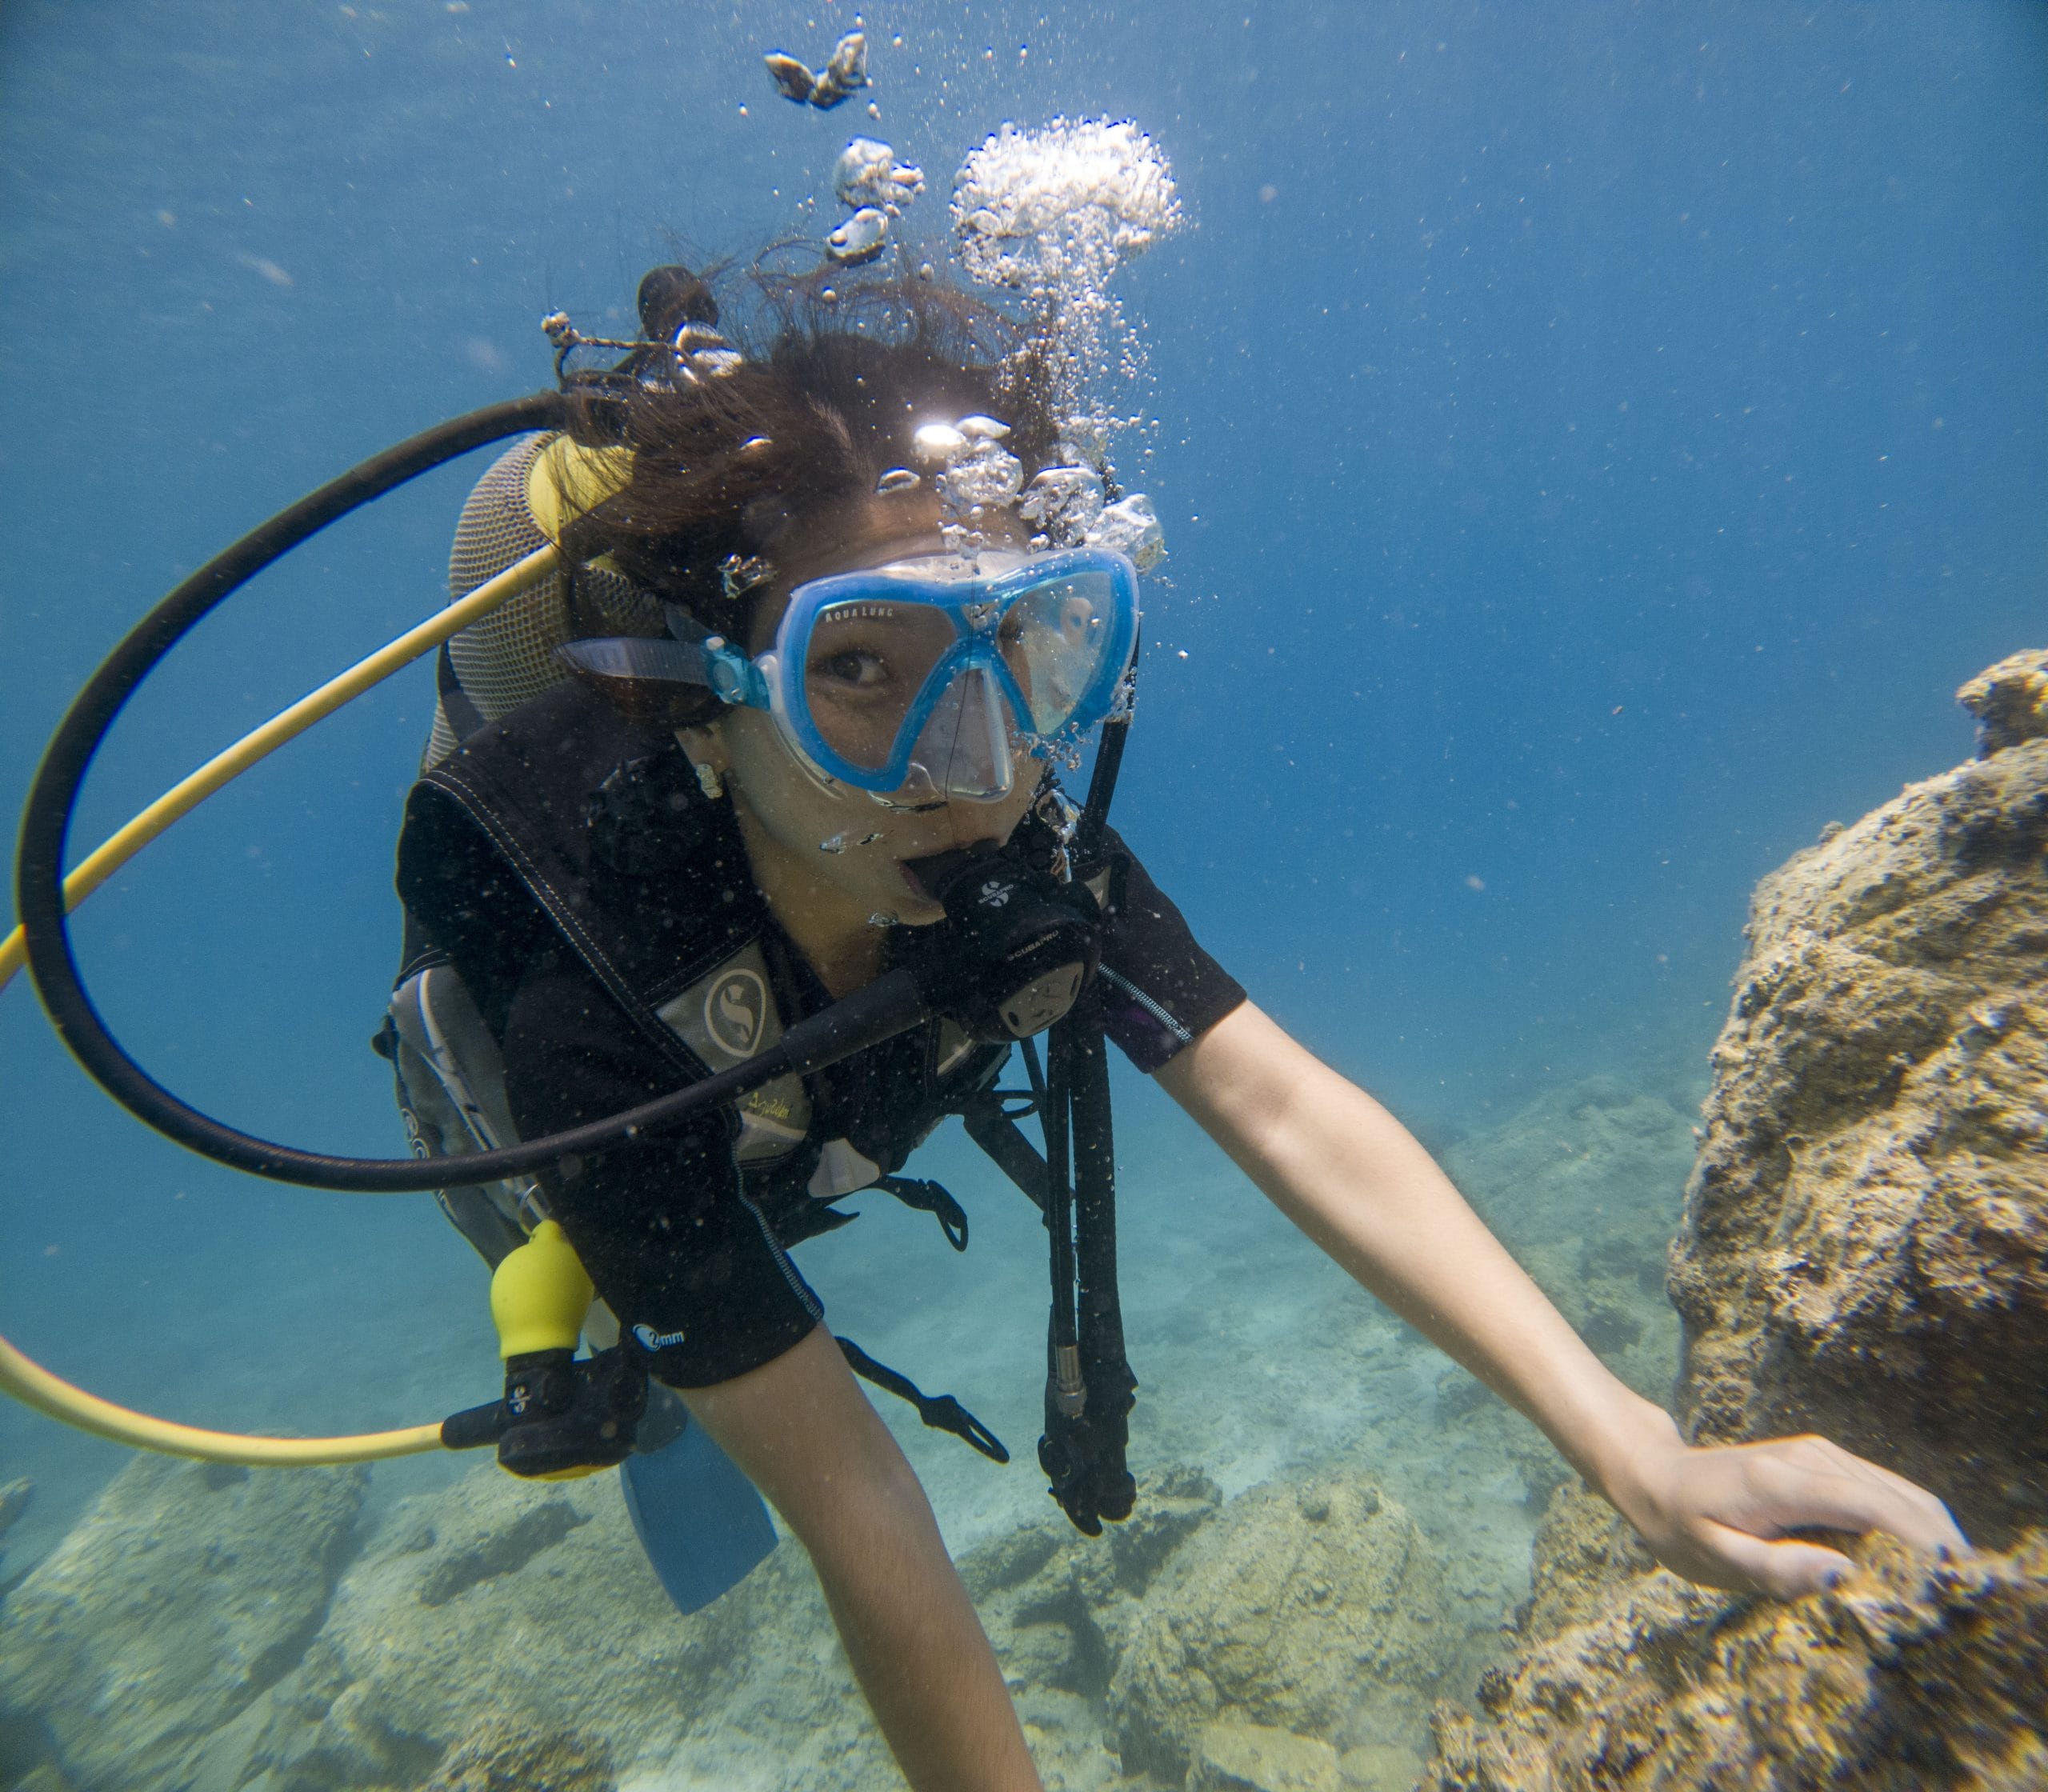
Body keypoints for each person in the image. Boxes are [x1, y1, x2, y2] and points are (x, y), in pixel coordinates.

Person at [389, 262, 1965, 1792]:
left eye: (1020, 648)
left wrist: (1634, 1449)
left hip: (811, 1113)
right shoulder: (590, 1008)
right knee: (597, 1267)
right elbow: (862, 1510)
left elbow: (1287, 1109)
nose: (977, 765)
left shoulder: (1026, 845)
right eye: (857, 667)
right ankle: (600, 1300)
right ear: (707, 693)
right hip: (593, 1140)